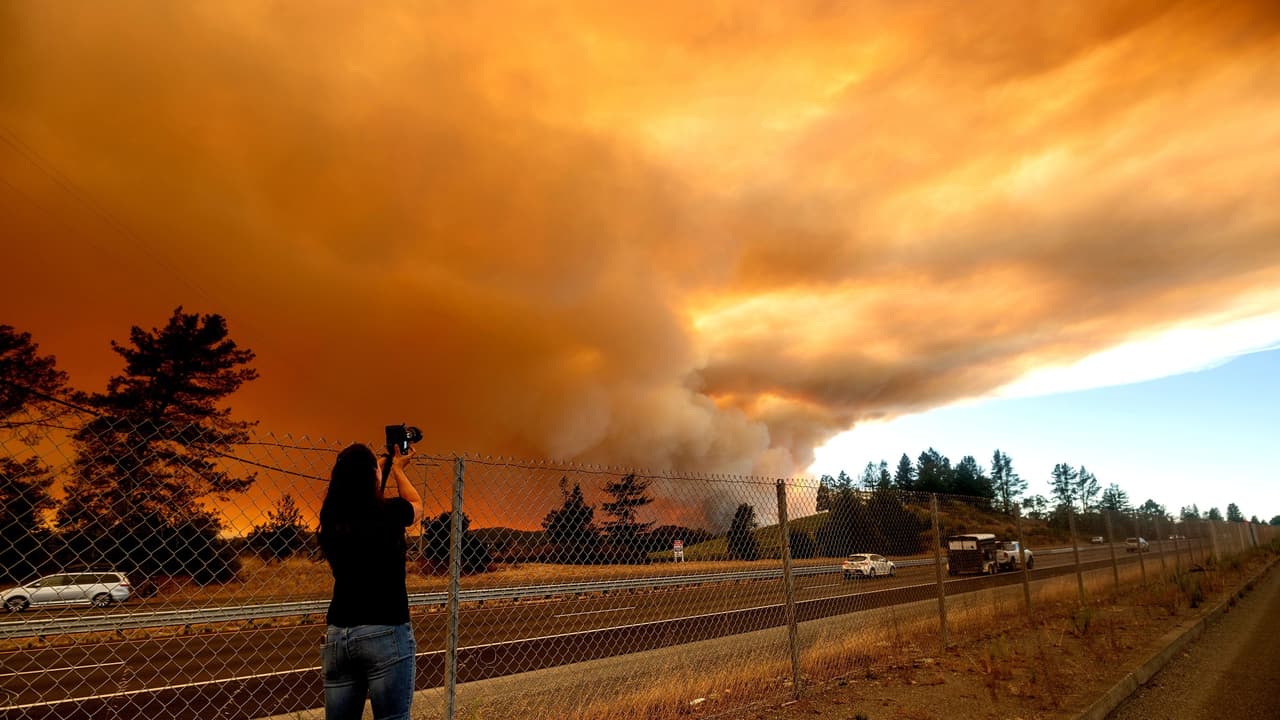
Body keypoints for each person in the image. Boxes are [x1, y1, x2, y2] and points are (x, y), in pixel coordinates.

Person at [318, 442, 423, 720]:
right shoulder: (389, 513)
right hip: (385, 628)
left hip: (339, 633)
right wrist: (398, 470)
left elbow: (357, 491)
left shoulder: (330, 519)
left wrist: (377, 467)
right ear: (373, 478)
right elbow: (416, 505)